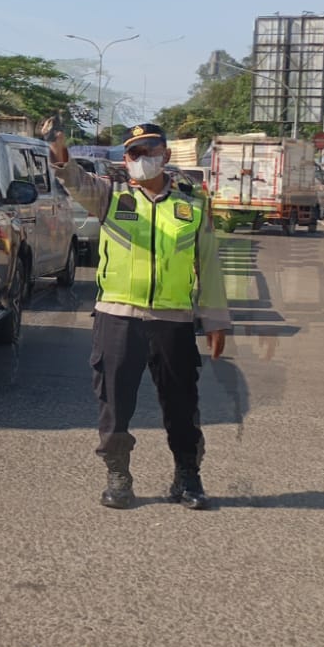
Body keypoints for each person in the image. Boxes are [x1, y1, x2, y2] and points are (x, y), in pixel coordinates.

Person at [41, 120, 232, 511]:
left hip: (173, 321)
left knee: (182, 404)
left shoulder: (192, 205)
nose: (143, 159)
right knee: (114, 403)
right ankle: (118, 475)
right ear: (126, 160)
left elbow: (209, 264)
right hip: (118, 317)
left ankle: (187, 475)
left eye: (150, 151)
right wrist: (58, 148)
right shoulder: (110, 197)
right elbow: (73, 178)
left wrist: (215, 320)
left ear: (166, 154)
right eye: (135, 153)